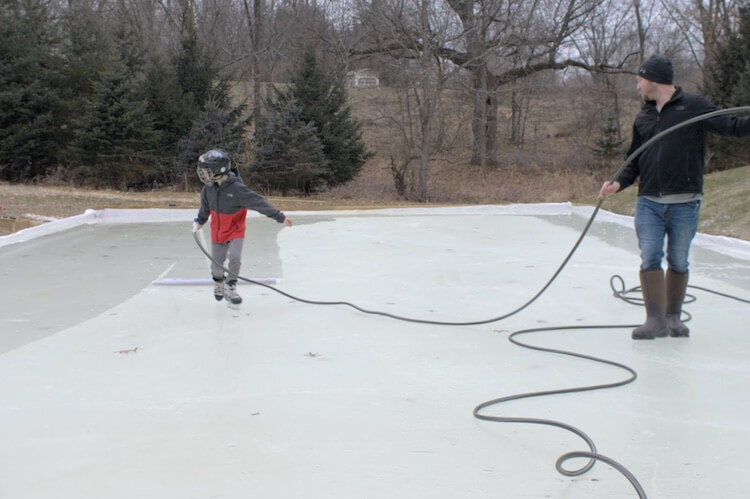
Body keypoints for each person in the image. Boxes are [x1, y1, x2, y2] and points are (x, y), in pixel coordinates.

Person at [598, 55, 750, 340]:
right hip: (649, 202)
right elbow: (634, 159)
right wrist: (617, 183)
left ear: (654, 80)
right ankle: (654, 320)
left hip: (685, 201)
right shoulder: (643, 116)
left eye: (640, 80)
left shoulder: (695, 107)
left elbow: (733, 127)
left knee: (679, 260)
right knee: (650, 257)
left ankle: (673, 317)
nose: (638, 86)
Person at [193, 149, 293, 305]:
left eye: (207, 172)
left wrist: (280, 216)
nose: (203, 175)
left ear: (219, 170)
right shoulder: (208, 188)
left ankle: (230, 285)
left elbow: (259, 203)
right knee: (216, 264)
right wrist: (200, 220)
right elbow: (204, 208)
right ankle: (219, 282)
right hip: (217, 232)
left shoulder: (237, 189)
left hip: (235, 230)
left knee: (235, 257)